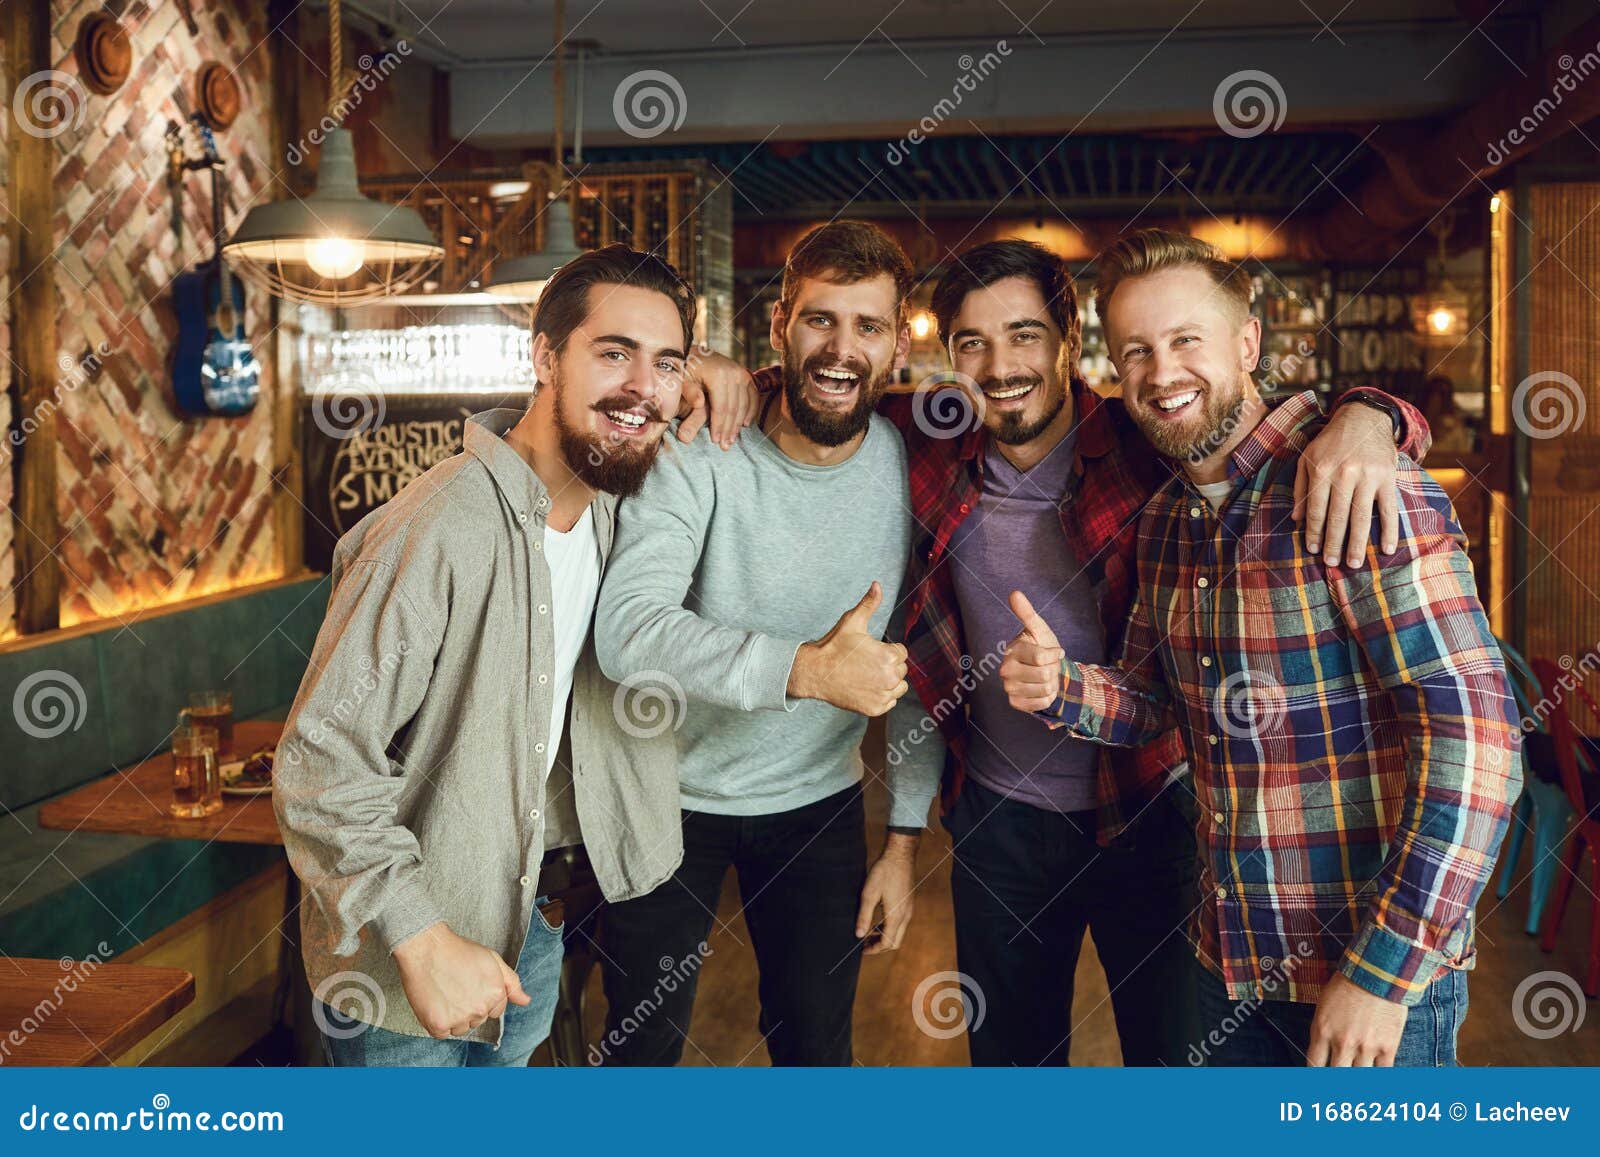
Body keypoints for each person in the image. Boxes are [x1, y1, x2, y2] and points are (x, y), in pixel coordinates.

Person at [687, 236, 1428, 1067]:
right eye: (972, 342)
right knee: (1012, 1068)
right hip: (997, 825)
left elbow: (1254, 417)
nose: (1000, 364)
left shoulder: (1151, 440)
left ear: (1070, 338)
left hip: (1153, 814)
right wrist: (717, 374)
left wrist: (1375, 415)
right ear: (943, 354)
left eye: (1024, 335)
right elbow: (825, 389)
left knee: (1172, 1069)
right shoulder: (930, 443)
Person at [1005, 228, 1521, 1066]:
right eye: (1135, 350)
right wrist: (1064, 687)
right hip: (1228, 959)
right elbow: (1158, 701)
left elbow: (1481, 741)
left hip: (1362, 976)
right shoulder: (1170, 519)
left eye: (1185, 340)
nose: (1161, 372)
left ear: (1248, 343)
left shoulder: (1360, 486)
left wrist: (1385, 971)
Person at [274, 244, 703, 1066]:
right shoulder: (441, 525)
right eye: (613, 353)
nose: (643, 387)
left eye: (667, 364)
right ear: (543, 356)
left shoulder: (618, 518)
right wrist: (421, 935)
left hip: (531, 918)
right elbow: (318, 758)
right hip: (404, 953)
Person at [593, 220, 944, 1066]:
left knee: (816, 1051)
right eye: (821, 319)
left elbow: (917, 668)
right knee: (638, 1055)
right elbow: (627, 628)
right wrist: (804, 669)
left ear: (898, 345)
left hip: (815, 806)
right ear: (781, 320)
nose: (841, 347)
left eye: (867, 326)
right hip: (662, 796)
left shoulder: (913, 466)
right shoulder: (699, 446)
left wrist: (903, 841)